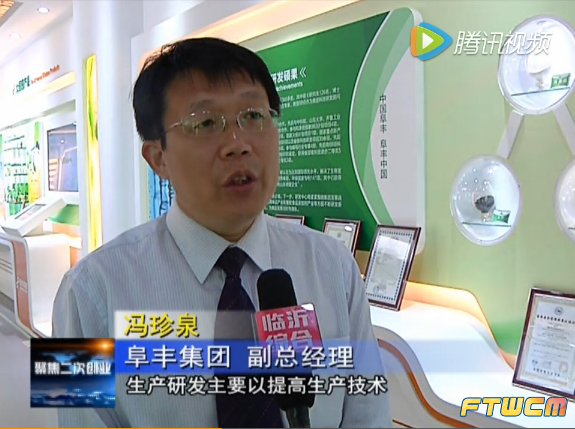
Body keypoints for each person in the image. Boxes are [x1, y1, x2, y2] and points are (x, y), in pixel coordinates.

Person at [52, 37, 392, 428]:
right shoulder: (86, 291)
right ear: (158, 158)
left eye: (254, 116)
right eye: (205, 123)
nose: (238, 145)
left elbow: (370, 413)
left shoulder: (334, 265)